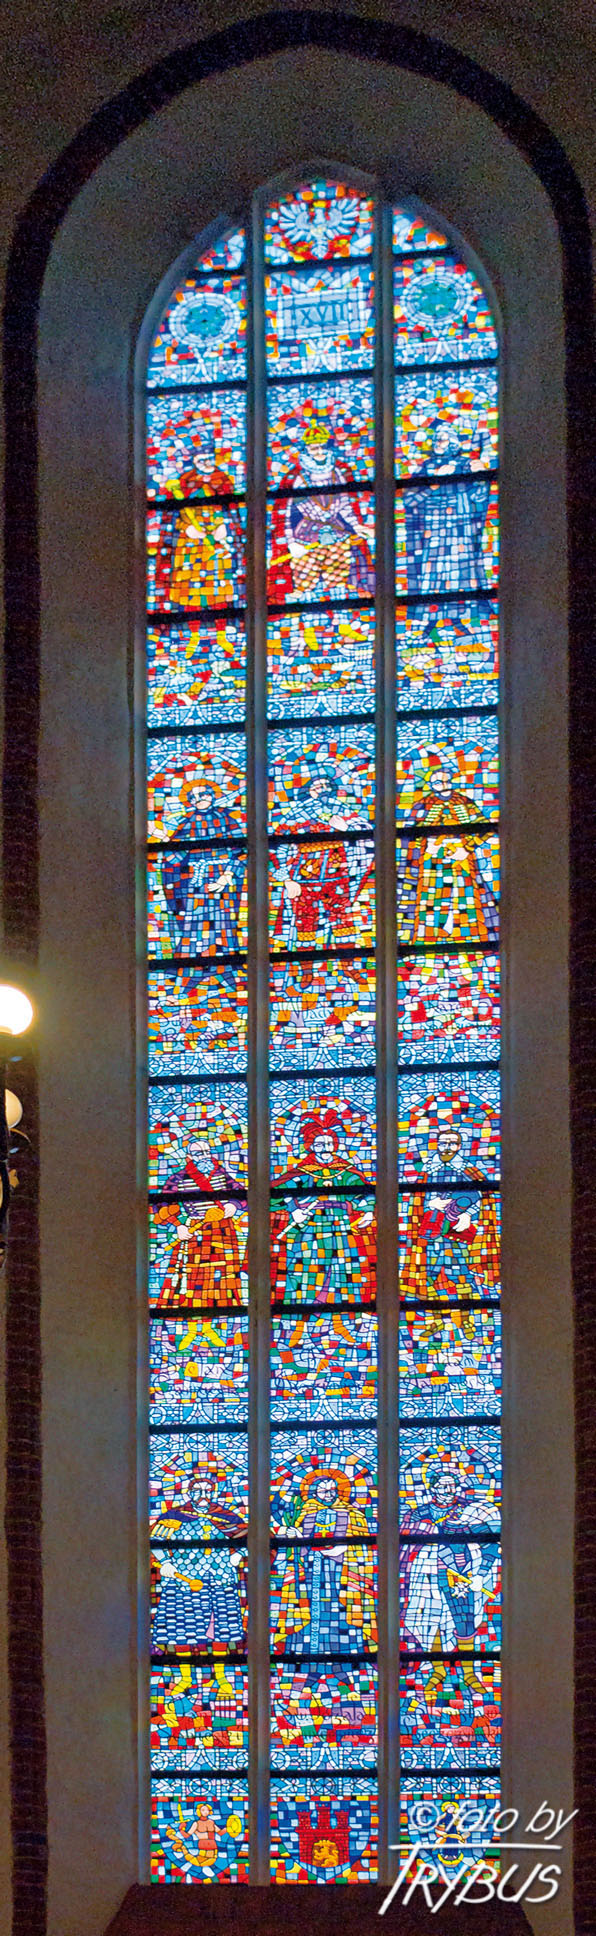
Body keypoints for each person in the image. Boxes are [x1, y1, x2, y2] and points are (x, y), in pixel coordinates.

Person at [270, 1109, 375, 1307]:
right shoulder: (301, 1173)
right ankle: (303, 1307)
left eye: (329, 1143)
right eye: (319, 1144)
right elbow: (277, 1194)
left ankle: (347, 1308)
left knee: (345, 1266)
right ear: (311, 1147)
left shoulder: (346, 1172)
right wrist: (294, 1209)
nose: (326, 1148)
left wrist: (368, 1210)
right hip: (310, 1227)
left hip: (341, 1226)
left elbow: (366, 1193)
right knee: (307, 1267)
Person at [267, 415, 374, 604]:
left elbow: (346, 505)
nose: (319, 452)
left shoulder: (338, 472)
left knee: (338, 570)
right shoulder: (296, 478)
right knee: (305, 575)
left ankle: (338, 601)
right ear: (306, 450)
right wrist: (291, 543)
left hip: (337, 530)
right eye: (314, 448)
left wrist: (356, 526)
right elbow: (285, 515)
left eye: (322, 447)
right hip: (305, 534)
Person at [271, 1462, 375, 1655]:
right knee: (310, 1599)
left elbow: (359, 1543)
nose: (329, 1495)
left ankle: (343, 1634)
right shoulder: (306, 1512)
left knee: (337, 1598)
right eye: (324, 1491)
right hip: (311, 1565)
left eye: (332, 1490)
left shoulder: (351, 1513)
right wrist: (295, 1536)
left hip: (341, 1566)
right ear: (314, 1493)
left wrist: (339, 1550)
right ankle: (309, 1635)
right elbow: (301, 1541)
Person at [152, 1455, 247, 1650]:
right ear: (189, 1493)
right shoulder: (174, 1515)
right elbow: (156, 1540)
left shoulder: (225, 1516)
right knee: (183, 1618)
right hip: (184, 1576)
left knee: (224, 1619)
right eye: (197, 1491)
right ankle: (180, 1653)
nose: (203, 1495)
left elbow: (250, 1535)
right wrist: (165, 1562)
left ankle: (224, 1652)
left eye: (207, 1491)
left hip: (221, 1575)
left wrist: (239, 1553)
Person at [403, 418, 492, 596]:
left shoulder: (465, 465)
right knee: (433, 563)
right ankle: (430, 603)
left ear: (452, 442)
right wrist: (433, 484)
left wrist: (482, 478)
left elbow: (478, 497)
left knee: (463, 561)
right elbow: (409, 499)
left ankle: (465, 602)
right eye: (436, 439)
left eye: (442, 439)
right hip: (434, 523)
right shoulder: (426, 467)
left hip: (460, 522)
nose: (437, 443)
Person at [160, 776, 245, 957]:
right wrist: (163, 837)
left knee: (224, 917)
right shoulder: (186, 822)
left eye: (203, 794)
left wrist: (227, 875)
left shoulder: (227, 819)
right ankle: (194, 957)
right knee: (195, 917)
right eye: (193, 797)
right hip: (195, 880)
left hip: (223, 876)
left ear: (212, 795)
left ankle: (227, 958)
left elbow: (242, 851)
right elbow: (174, 857)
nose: (199, 799)